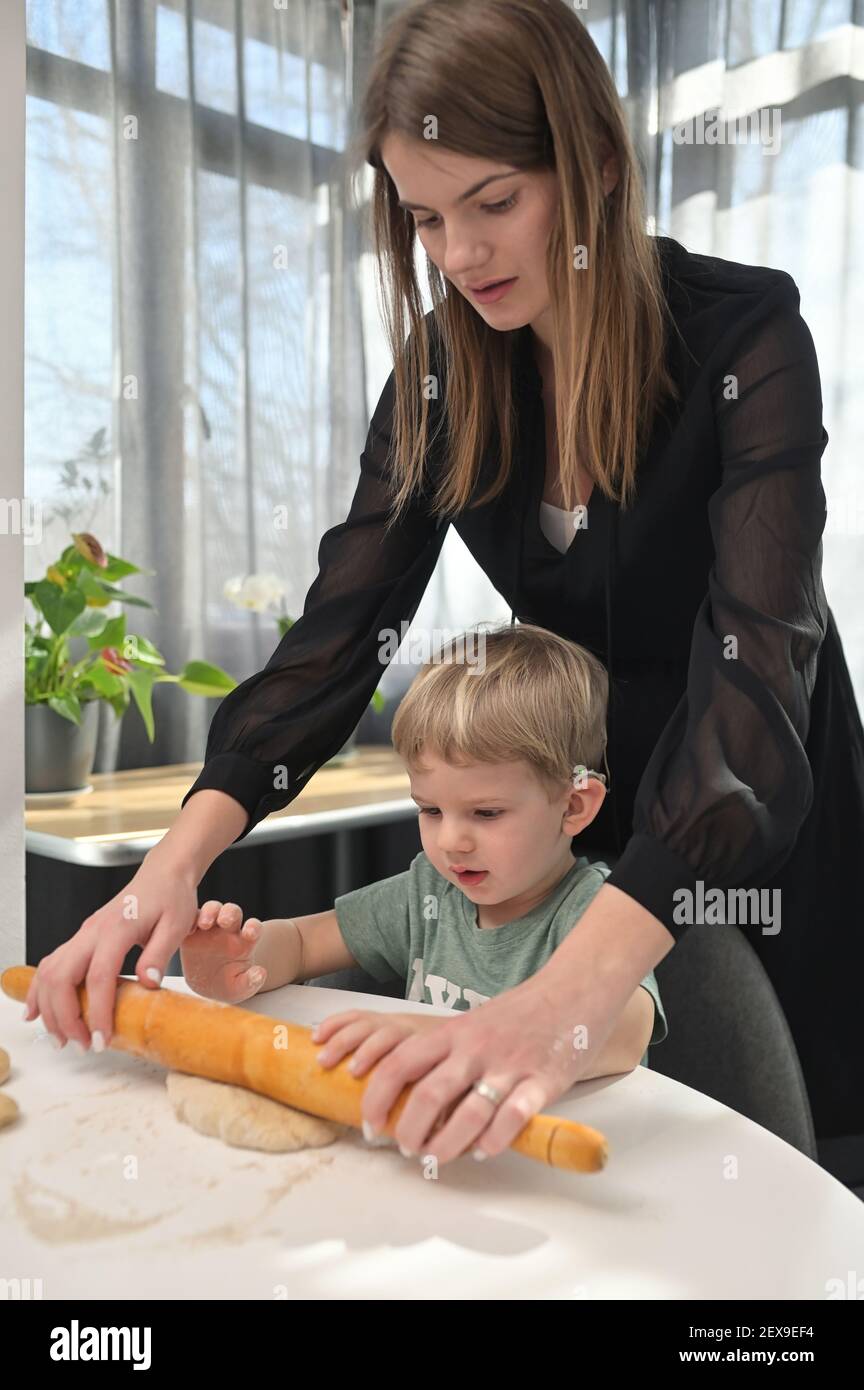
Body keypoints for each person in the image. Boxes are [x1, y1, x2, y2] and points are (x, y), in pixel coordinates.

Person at [23, 0, 864, 1171]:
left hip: (752, 806)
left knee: (775, 1152)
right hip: (582, 807)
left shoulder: (744, 338)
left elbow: (759, 669)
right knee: (575, 1158)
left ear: (599, 169)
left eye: (496, 202)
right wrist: (166, 872)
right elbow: (338, 638)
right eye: (425, 218)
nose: (459, 256)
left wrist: (572, 989)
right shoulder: (442, 378)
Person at [178, 625, 668, 1130]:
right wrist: (242, 962)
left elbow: (627, 1030)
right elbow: (303, 943)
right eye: (430, 810)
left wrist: (472, 1035)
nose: (451, 840)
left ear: (573, 806)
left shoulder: (597, 910)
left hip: (550, 1159)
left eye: (487, 813)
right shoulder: (428, 893)